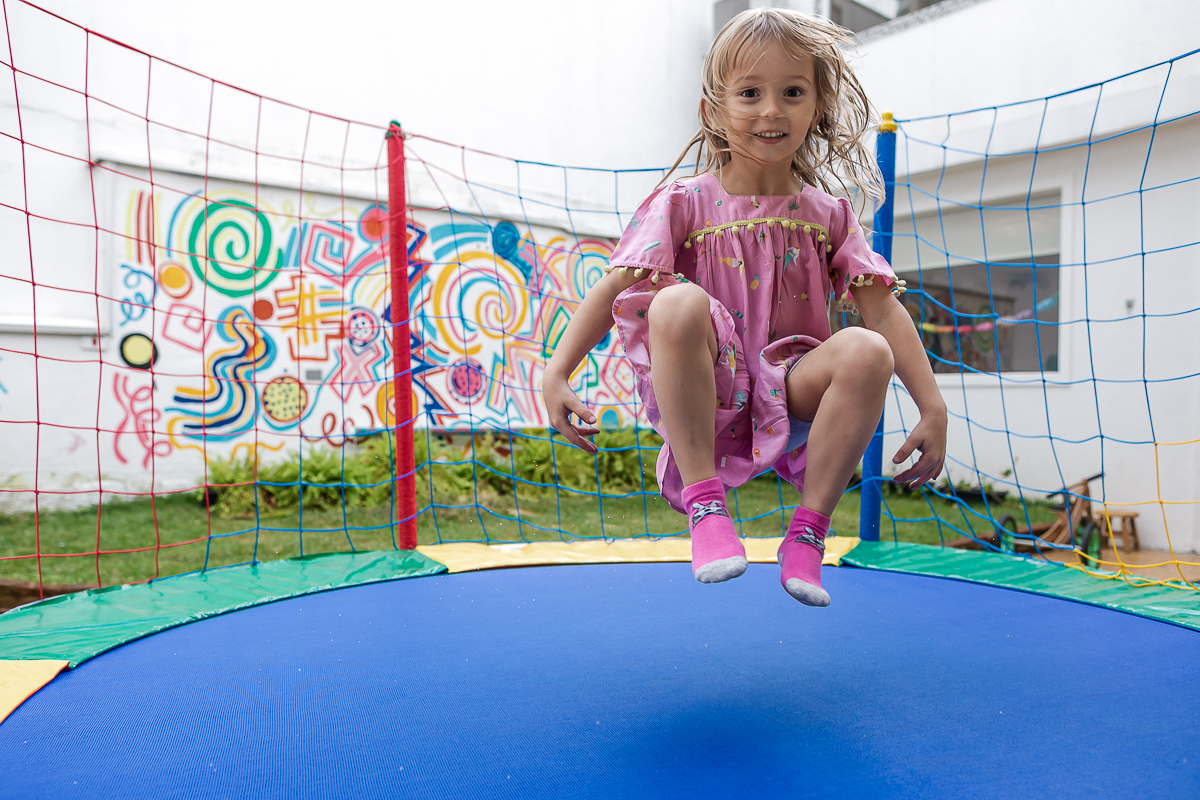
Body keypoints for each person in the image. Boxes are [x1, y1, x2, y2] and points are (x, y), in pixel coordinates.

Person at [541, 8, 946, 606]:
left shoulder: (828, 214)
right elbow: (613, 286)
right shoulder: (685, 202)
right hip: (712, 387)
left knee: (867, 347)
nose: (771, 110)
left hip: (793, 385)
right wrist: (556, 370)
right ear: (714, 110)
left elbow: (883, 312)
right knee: (673, 302)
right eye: (750, 93)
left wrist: (932, 405)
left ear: (818, 108)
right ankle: (705, 505)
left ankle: (808, 534)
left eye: (792, 93)